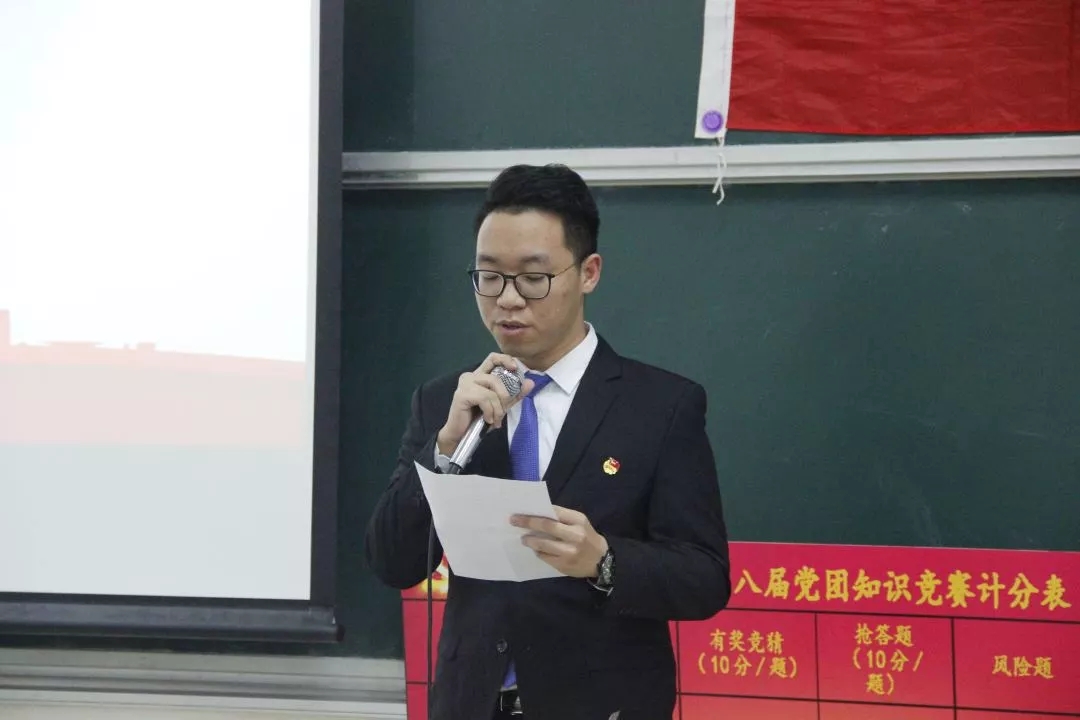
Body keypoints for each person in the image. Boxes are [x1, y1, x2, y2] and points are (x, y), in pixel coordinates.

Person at [364, 164, 731, 720]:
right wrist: (443, 450)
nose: (508, 300)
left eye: (533, 277)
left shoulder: (661, 406)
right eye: (489, 277)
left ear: (588, 273)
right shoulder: (446, 402)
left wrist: (604, 561)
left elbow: (704, 579)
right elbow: (392, 562)